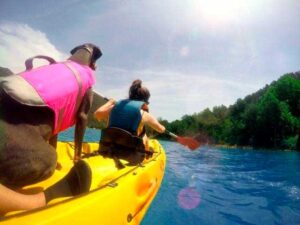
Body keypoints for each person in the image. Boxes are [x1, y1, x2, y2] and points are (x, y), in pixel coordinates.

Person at [0, 43, 101, 215]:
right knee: (49, 162)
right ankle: (38, 201)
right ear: (93, 65)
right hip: (10, 138)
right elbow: (82, 118)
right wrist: (77, 156)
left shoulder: (54, 68)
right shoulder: (85, 85)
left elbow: (54, 116)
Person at [94, 79, 166, 155]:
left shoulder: (114, 107)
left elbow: (97, 114)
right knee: (144, 135)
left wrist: (110, 102)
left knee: (142, 132)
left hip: (107, 149)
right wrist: (163, 128)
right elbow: (160, 129)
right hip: (129, 154)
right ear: (144, 101)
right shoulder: (143, 114)